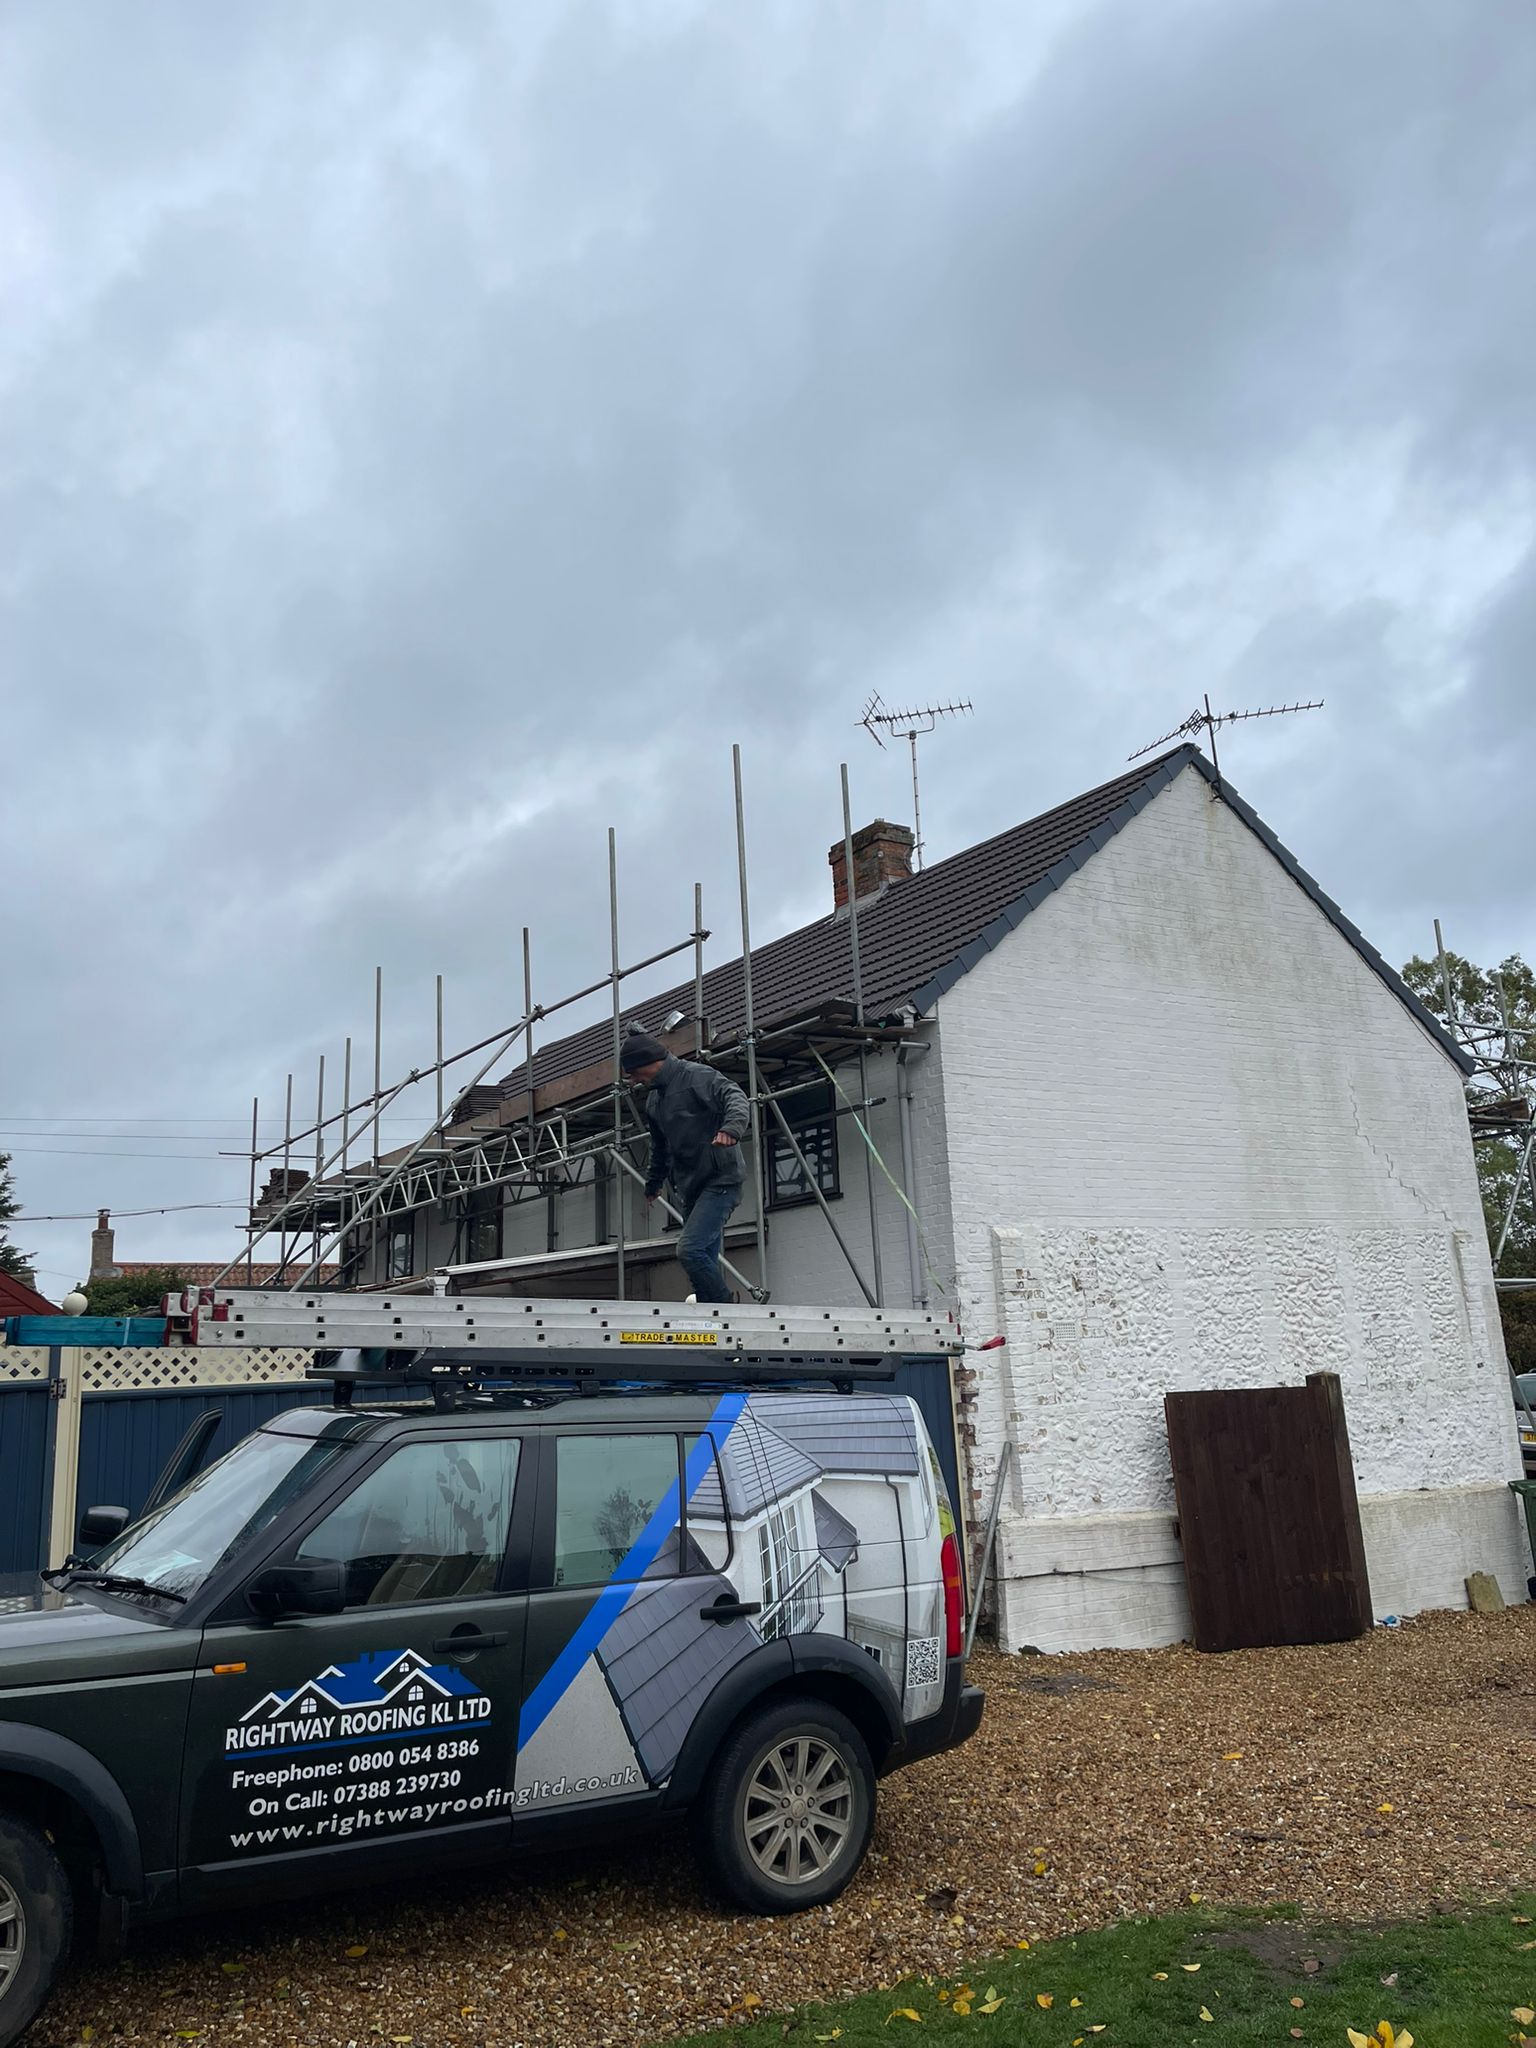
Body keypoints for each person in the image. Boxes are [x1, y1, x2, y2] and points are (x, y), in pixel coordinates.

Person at [619, 1033, 750, 1304]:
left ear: (650, 1062)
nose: (634, 1081)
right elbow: (660, 1146)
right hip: (691, 1186)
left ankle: (722, 1307)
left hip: (720, 1179)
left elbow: (734, 1096)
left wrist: (731, 1128)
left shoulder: (697, 1076)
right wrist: (654, 1182)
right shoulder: (655, 1101)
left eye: (634, 1074)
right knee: (704, 1257)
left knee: (690, 1250)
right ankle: (710, 1312)